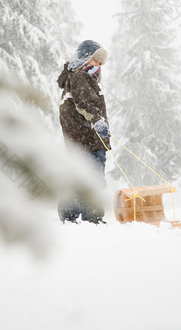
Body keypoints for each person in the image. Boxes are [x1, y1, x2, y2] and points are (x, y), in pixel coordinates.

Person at [57, 40, 111, 224]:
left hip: (78, 140)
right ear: (85, 58)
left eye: (100, 63)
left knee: (78, 177)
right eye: (96, 61)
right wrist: (97, 121)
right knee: (92, 178)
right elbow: (84, 103)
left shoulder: (72, 79)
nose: (99, 66)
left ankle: (69, 215)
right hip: (88, 138)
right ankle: (92, 217)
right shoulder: (80, 77)